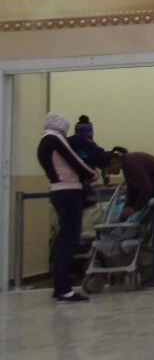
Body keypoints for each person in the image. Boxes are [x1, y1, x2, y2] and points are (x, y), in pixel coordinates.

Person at [99, 148, 154, 289]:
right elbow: (133, 192)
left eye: (107, 169)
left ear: (113, 161)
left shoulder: (131, 162)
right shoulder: (128, 164)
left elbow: (146, 189)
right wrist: (122, 217)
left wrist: (134, 209)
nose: (108, 173)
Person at [37, 112, 99, 302]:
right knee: (70, 241)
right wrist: (93, 174)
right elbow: (75, 161)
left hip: (57, 191)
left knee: (64, 240)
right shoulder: (55, 139)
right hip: (69, 192)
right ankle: (64, 289)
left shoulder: (43, 141)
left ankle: (60, 287)